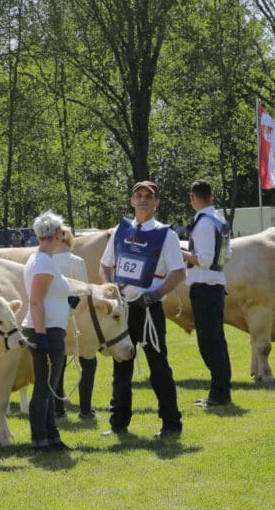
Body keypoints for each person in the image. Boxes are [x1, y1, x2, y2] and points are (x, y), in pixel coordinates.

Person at [99, 180, 186, 439]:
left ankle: (171, 424)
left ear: (156, 202)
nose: (144, 200)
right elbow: (105, 266)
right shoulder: (120, 230)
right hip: (123, 309)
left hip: (149, 311)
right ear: (132, 200)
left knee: (158, 367)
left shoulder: (166, 234)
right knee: (121, 368)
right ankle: (118, 423)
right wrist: (110, 292)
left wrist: (156, 294)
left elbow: (179, 272)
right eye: (139, 195)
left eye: (149, 196)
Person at [22, 212, 73, 451]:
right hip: (46, 330)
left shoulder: (43, 259)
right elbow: (35, 302)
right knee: (44, 387)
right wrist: (41, 335)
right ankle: (39, 439)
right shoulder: (42, 262)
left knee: (49, 387)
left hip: (49, 328)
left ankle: (51, 436)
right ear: (55, 234)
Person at [180, 180, 232, 407]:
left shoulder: (203, 223)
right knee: (217, 341)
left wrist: (181, 252)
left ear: (193, 198)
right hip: (217, 285)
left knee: (209, 343)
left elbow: (204, 259)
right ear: (211, 196)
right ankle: (221, 392)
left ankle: (219, 395)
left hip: (205, 287)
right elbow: (225, 256)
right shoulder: (219, 219)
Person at [42, 216, 98, 421]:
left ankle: (58, 409)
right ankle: (85, 410)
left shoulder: (47, 260)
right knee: (89, 363)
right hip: (76, 319)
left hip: (53, 317)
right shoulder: (77, 262)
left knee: (58, 365)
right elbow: (83, 291)